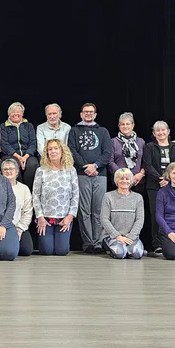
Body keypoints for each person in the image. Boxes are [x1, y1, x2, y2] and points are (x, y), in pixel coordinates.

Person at [67, 103, 112, 253]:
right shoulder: (74, 131)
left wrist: (96, 166)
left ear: (95, 114)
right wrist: (86, 166)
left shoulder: (103, 131)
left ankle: (98, 243)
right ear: (81, 114)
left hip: (100, 175)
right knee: (84, 210)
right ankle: (88, 244)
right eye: (85, 112)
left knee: (99, 210)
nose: (88, 114)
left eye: (91, 112)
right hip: (81, 174)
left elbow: (107, 153)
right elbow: (72, 150)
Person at [142, 120, 175, 256]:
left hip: (174, 186)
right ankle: (158, 244)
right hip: (154, 186)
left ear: (168, 132)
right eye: (157, 131)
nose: (160, 133)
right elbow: (147, 165)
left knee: (173, 214)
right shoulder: (149, 146)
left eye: (163, 130)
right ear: (154, 134)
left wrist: (169, 179)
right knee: (157, 214)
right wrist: (162, 178)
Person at [32, 139, 79, 256]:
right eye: (50, 149)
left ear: (62, 151)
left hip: (64, 219)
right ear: (47, 153)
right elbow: (35, 195)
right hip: (45, 219)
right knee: (46, 251)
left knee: (62, 251)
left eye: (56, 148)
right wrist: (40, 217)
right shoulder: (41, 170)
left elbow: (75, 194)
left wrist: (70, 216)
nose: (53, 151)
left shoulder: (71, 170)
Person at [100, 168, 145, 259]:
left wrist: (131, 236)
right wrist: (118, 236)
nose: (124, 181)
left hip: (131, 237)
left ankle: (130, 248)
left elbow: (140, 219)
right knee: (119, 254)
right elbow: (104, 219)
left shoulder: (138, 197)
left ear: (131, 181)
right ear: (116, 180)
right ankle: (115, 249)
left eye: (127, 179)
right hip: (112, 237)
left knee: (136, 254)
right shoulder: (108, 196)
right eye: (121, 178)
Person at [0, 102, 39, 189]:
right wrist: (18, 157)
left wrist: (25, 157)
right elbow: (4, 144)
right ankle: (18, 190)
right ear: (9, 114)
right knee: (14, 165)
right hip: (11, 154)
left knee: (33, 164)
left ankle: (28, 190)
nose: (16, 114)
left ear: (22, 113)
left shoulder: (29, 126)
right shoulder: (4, 126)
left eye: (18, 111)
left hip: (27, 154)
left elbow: (33, 143)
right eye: (13, 112)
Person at [1, 159, 34, 256]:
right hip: (2, 227)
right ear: (1, 172)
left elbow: (28, 212)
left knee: (26, 250)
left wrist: (19, 229)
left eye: (11, 168)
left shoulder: (24, 189)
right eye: (5, 169)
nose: (8, 171)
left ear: (17, 172)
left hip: (18, 226)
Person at [108, 112, 145, 190]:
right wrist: (122, 176)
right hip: (119, 181)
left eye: (127, 124)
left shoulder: (141, 142)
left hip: (137, 181)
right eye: (122, 124)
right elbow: (110, 162)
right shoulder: (113, 142)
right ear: (119, 126)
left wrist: (141, 174)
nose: (125, 126)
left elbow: (145, 161)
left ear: (133, 125)